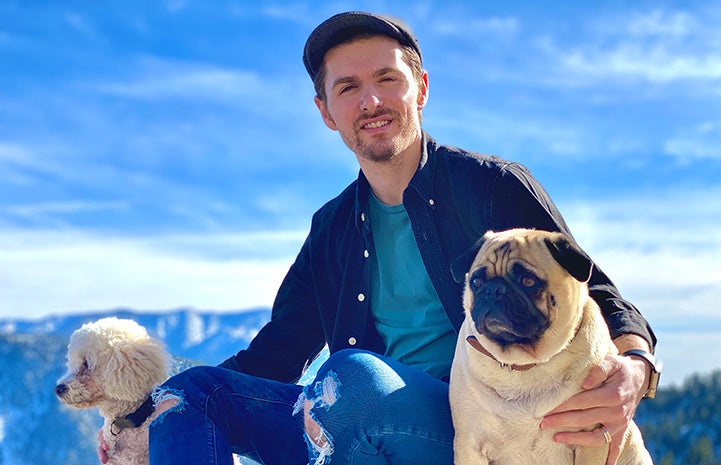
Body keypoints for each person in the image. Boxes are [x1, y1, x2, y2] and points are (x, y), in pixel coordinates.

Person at [99, 11, 657, 465]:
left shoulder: (491, 186)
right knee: (192, 394)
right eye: (348, 88)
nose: (371, 101)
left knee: (349, 379)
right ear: (326, 113)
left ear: (421, 89)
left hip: (475, 430)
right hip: (350, 426)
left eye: (387, 79)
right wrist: (141, 418)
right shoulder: (333, 227)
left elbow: (597, 292)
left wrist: (633, 369)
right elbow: (279, 350)